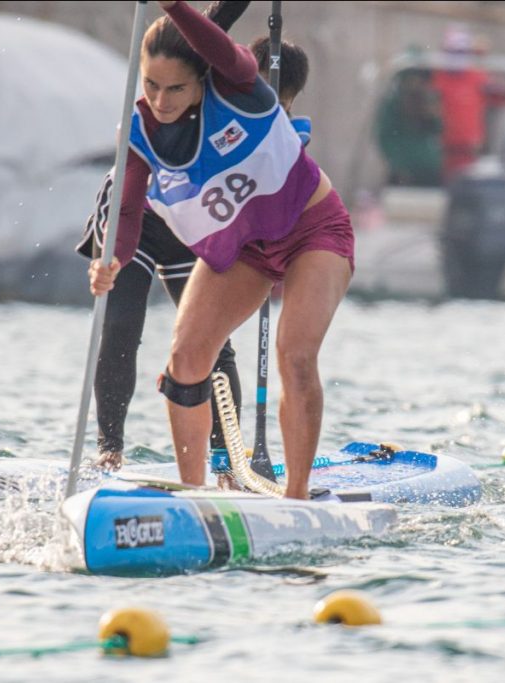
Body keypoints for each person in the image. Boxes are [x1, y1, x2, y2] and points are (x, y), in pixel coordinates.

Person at [89, 0, 353, 500]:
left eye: (176, 88)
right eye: (151, 85)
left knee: (294, 356)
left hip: (313, 233)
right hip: (247, 252)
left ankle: (297, 498)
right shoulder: (141, 129)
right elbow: (124, 213)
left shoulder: (239, 87)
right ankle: (195, 498)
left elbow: (215, 43)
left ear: (202, 80)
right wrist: (111, 260)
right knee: (186, 359)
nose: (161, 101)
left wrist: (172, 6)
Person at [431, 24, 505, 182]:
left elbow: (503, 93)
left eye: (461, 52)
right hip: (441, 153)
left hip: (470, 152)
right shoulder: (436, 80)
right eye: (452, 52)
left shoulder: (476, 79)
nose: (456, 56)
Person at [373, 59, 443, 187]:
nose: (416, 84)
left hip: (429, 168)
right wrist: (398, 163)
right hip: (404, 170)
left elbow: (437, 129)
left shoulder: (428, 100)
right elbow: (385, 136)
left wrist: (432, 115)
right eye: (412, 79)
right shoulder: (394, 105)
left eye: (420, 79)